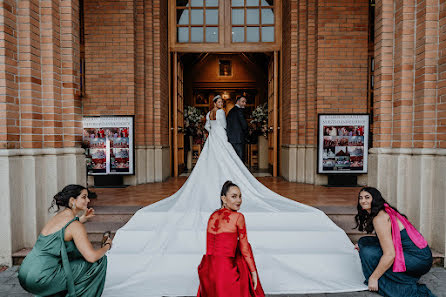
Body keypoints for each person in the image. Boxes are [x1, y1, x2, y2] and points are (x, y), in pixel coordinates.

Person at [101, 92, 366, 296]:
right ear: (215, 104)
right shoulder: (221, 115)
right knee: (220, 169)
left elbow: (209, 130)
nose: (218, 104)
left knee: (215, 169)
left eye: (218, 102)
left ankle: (219, 190)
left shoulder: (208, 117)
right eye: (217, 101)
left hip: (212, 145)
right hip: (219, 144)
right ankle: (220, 189)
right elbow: (222, 131)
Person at [18, 185, 111, 297]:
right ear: (72, 200)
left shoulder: (59, 217)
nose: (88, 200)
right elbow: (91, 257)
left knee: (69, 260)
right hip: (41, 279)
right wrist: (107, 245)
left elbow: (64, 231)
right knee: (99, 262)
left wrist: (83, 219)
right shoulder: (75, 225)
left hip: (25, 273)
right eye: (84, 197)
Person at [354, 187, 435, 296]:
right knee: (364, 241)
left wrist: (373, 278)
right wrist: (362, 245)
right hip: (423, 257)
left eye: (367, 197)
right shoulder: (383, 211)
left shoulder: (380, 218)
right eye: (361, 198)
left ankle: (391, 281)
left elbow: (390, 254)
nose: (363, 201)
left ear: (375, 199)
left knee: (368, 252)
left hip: (418, 259)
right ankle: (403, 276)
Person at [197, 181, 265, 297]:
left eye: (240, 196)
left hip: (207, 269)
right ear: (223, 199)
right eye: (234, 197)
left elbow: (210, 247)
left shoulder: (212, 216)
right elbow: (245, 250)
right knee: (245, 248)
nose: (238, 200)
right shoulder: (238, 217)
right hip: (225, 271)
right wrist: (254, 273)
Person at [226, 96, 248, 162]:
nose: (244, 104)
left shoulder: (230, 111)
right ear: (238, 102)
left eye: (245, 102)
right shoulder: (239, 110)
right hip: (239, 138)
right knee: (240, 159)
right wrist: (246, 131)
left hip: (232, 138)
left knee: (233, 159)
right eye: (243, 102)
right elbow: (244, 125)